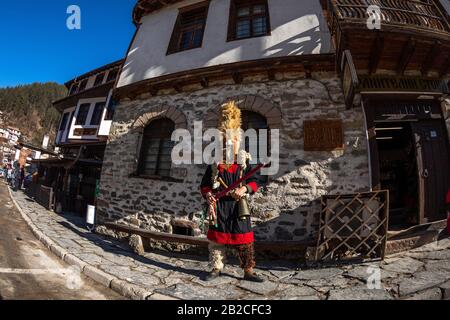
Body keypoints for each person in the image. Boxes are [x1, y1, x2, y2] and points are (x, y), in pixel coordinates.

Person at [200, 101, 264, 283]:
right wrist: (208, 194)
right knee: (216, 242)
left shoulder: (245, 162)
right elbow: (204, 185)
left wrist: (244, 189)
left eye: (233, 140)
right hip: (219, 207)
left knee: (244, 240)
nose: (229, 144)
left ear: (238, 141)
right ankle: (216, 268)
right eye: (225, 141)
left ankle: (248, 270)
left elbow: (254, 181)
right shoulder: (215, 164)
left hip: (238, 207)